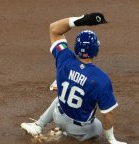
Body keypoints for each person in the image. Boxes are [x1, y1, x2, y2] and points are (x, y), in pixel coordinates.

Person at [20, 13, 127, 144]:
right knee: (97, 126)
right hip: (80, 131)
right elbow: (108, 114)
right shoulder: (101, 78)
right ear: (96, 50)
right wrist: (111, 139)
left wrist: (81, 20)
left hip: (58, 116)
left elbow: (54, 29)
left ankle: (38, 125)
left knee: (60, 97)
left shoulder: (64, 58)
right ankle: (65, 135)